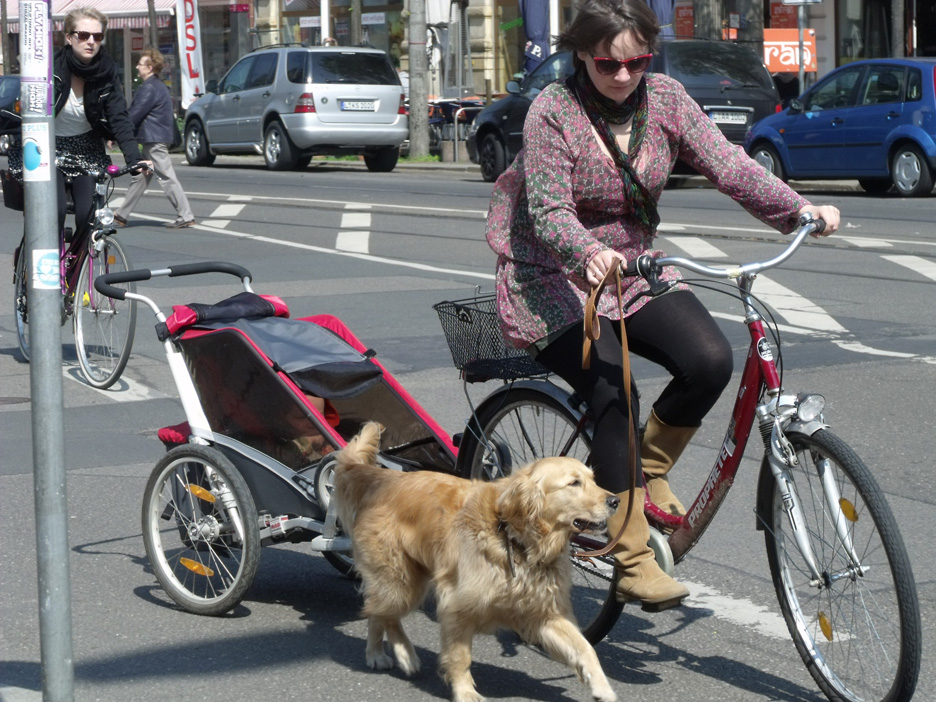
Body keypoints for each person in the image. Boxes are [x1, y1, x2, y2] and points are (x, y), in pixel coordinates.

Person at [485, 0, 840, 611]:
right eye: (608, 64)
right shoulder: (554, 111)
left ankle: (644, 471)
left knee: (709, 360)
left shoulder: (667, 100)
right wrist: (585, 251)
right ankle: (630, 558)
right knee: (614, 392)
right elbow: (548, 211)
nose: (624, 75)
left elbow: (729, 166)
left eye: (637, 62)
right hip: (549, 272)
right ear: (582, 55)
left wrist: (798, 210)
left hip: (632, 266)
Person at [7, 7, 148, 258]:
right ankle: (44, 267)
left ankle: (76, 268)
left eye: (97, 36)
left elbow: (119, 117)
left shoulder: (107, 73)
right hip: (47, 148)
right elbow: (27, 109)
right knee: (54, 210)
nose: (91, 41)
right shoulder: (50, 68)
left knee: (88, 216)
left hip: (86, 150)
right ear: (69, 37)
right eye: (83, 35)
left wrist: (134, 158)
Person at [114, 48, 195, 229]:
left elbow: (135, 113)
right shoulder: (157, 86)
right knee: (143, 174)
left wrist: (117, 132)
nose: (137, 67)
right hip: (153, 138)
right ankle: (122, 214)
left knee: (166, 176)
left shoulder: (149, 88)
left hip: (154, 140)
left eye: (140, 64)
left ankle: (186, 215)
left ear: (150, 67)